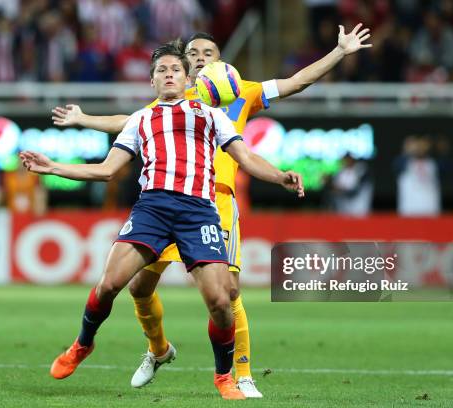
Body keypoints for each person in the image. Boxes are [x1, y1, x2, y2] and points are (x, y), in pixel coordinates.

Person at [51, 25, 371, 398]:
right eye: (194, 53)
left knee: (226, 293)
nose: (201, 57)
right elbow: (128, 123)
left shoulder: (239, 95)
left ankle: (241, 373)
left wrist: (339, 52)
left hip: (212, 201)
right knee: (138, 287)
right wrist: (84, 119)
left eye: (209, 52)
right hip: (159, 199)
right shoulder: (164, 103)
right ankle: (157, 350)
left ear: (221, 64)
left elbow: (296, 82)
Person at [20, 43, 304, 400]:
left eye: (175, 70)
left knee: (220, 301)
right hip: (152, 209)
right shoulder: (141, 119)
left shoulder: (211, 115)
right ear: (152, 81)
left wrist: (280, 176)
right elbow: (107, 170)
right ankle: (82, 344)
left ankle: (223, 378)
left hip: (199, 211)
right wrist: (54, 167)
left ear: (188, 79)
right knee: (110, 285)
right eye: (161, 70)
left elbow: (245, 158)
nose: (168, 75)